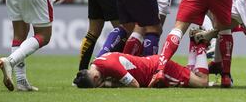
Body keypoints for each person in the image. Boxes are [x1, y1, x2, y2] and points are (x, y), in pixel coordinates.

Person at [73, 42, 209, 88]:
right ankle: (194, 43)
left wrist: (107, 85)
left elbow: (135, 85)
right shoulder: (96, 62)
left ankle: (201, 44)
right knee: (192, 76)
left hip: (159, 69)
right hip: (154, 63)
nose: (99, 85)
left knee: (202, 82)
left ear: (96, 78)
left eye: (97, 85)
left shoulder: (110, 66)